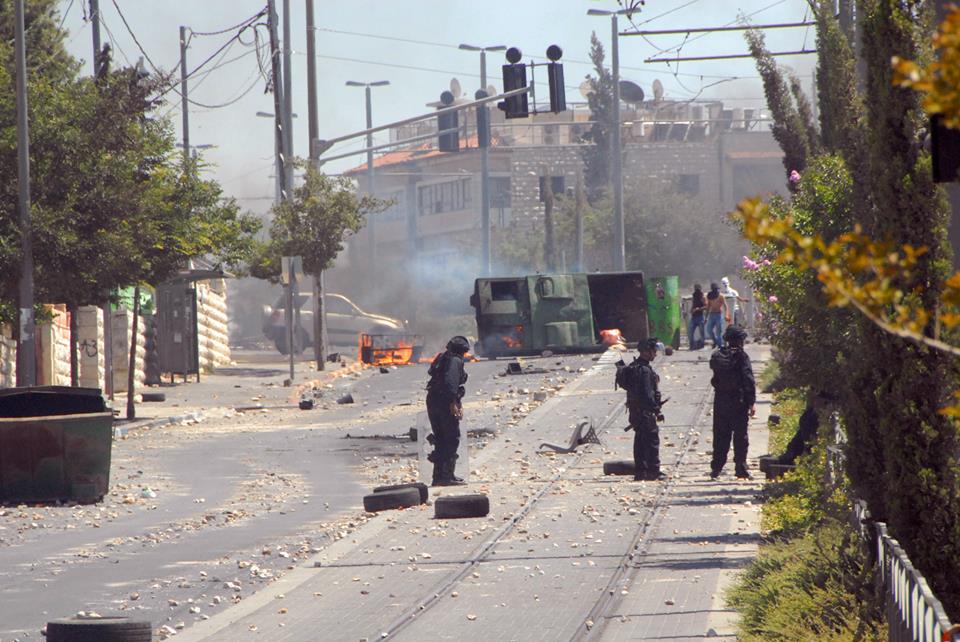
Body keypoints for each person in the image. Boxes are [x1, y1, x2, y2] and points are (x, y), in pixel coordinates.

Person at [709, 325, 756, 480]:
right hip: (738, 401)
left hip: (721, 400)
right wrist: (751, 402)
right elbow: (748, 380)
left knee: (721, 434)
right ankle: (740, 468)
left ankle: (716, 468)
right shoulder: (742, 357)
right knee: (740, 435)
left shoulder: (718, 355)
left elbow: (715, 379)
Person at [616, 338, 666, 481]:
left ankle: (641, 471)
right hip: (645, 412)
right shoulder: (644, 371)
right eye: (653, 352)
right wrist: (656, 410)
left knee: (640, 441)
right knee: (651, 441)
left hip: (635, 412)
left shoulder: (634, 366)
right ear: (646, 352)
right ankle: (653, 471)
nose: (655, 355)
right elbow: (647, 394)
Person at [425, 336, 470, 486]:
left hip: (433, 399)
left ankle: (438, 476)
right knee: (451, 437)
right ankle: (446, 476)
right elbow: (451, 384)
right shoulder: (455, 361)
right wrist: (453, 402)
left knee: (440, 437)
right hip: (444, 401)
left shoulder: (443, 358)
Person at [775, 390, 835, 465]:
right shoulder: (809, 415)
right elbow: (804, 433)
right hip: (802, 447)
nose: (815, 403)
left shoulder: (824, 418)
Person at [704, 283, 729, 348]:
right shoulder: (709, 296)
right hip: (711, 315)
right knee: (709, 329)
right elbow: (708, 307)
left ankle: (719, 345)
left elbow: (726, 306)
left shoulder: (721, 296)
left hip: (718, 314)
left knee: (718, 331)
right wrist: (706, 318)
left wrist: (726, 315)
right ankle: (715, 341)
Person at [688, 283, 706, 350]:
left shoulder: (702, 297)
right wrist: (691, 310)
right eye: (695, 288)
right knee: (690, 331)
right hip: (694, 317)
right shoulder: (694, 296)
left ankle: (702, 345)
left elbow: (706, 306)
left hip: (700, 316)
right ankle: (692, 345)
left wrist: (699, 309)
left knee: (702, 332)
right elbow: (693, 304)